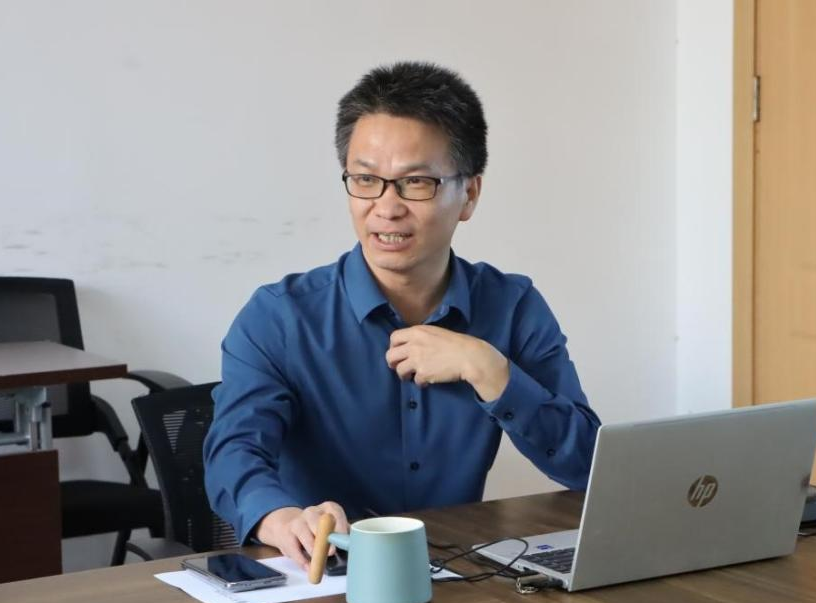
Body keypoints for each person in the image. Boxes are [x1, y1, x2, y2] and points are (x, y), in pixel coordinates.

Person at [203, 61, 600, 568]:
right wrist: (280, 518)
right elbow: (233, 453)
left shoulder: (512, 307)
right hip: (324, 575)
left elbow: (589, 467)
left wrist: (491, 371)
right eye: (366, 179)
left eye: (416, 183)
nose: (386, 207)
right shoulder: (279, 317)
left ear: (469, 195)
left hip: (457, 575)